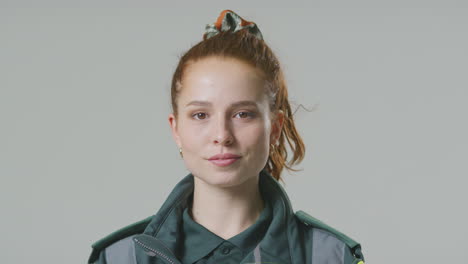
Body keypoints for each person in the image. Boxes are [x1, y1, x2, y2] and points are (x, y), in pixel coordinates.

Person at [88, 10, 365, 264]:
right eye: (200, 115)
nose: (222, 135)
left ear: (276, 127)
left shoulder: (331, 257)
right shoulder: (120, 258)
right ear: (176, 130)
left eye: (243, 114)